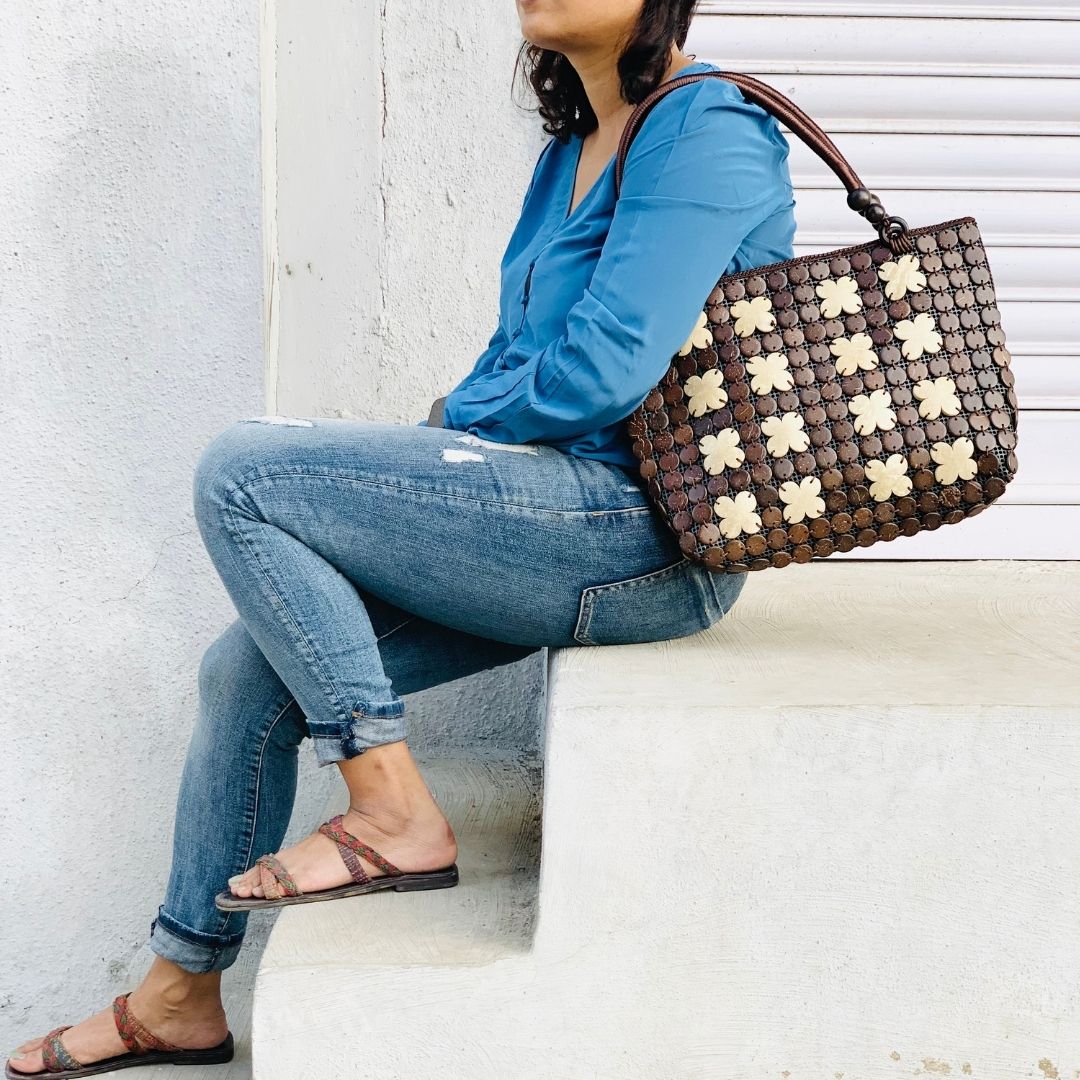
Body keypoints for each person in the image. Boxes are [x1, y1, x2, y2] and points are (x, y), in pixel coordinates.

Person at [6, 1, 795, 1075]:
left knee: (245, 472)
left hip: (647, 541)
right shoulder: (576, 143)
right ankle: (181, 989)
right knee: (247, 667)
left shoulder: (710, 130)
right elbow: (517, 350)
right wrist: (453, 435)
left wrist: (455, 433)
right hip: (549, 507)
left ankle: (390, 807)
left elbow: (605, 371)